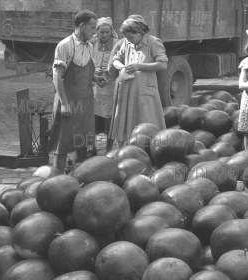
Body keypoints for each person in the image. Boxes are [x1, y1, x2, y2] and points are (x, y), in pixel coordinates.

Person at [49, 10, 107, 172]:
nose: (94, 32)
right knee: (62, 143)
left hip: (86, 103)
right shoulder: (65, 45)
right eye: (92, 28)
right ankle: (58, 180)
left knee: (83, 141)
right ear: (81, 26)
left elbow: (85, 71)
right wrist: (64, 103)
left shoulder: (89, 46)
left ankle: (79, 177)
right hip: (68, 101)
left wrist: (95, 78)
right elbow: (57, 77)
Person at [110, 15, 168, 144]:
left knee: (146, 118)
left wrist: (139, 66)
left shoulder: (153, 42)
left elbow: (163, 65)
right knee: (127, 119)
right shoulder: (126, 42)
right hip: (128, 88)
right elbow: (116, 59)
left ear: (140, 33)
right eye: (126, 38)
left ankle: (151, 145)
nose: (128, 40)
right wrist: (122, 67)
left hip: (145, 89)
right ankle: (127, 146)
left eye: (131, 37)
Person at [91, 17, 118, 153]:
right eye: (102, 32)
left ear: (111, 31)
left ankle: (109, 147)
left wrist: (110, 69)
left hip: (110, 85)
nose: (104, 35)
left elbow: (121, 62)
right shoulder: (92, 43)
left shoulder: (117, 44)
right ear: (97, 31)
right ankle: (92, 147)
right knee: (94, 116)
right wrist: (94, 70)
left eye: (107, 32)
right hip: (95, 84)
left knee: (110, 116)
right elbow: (88, 60)